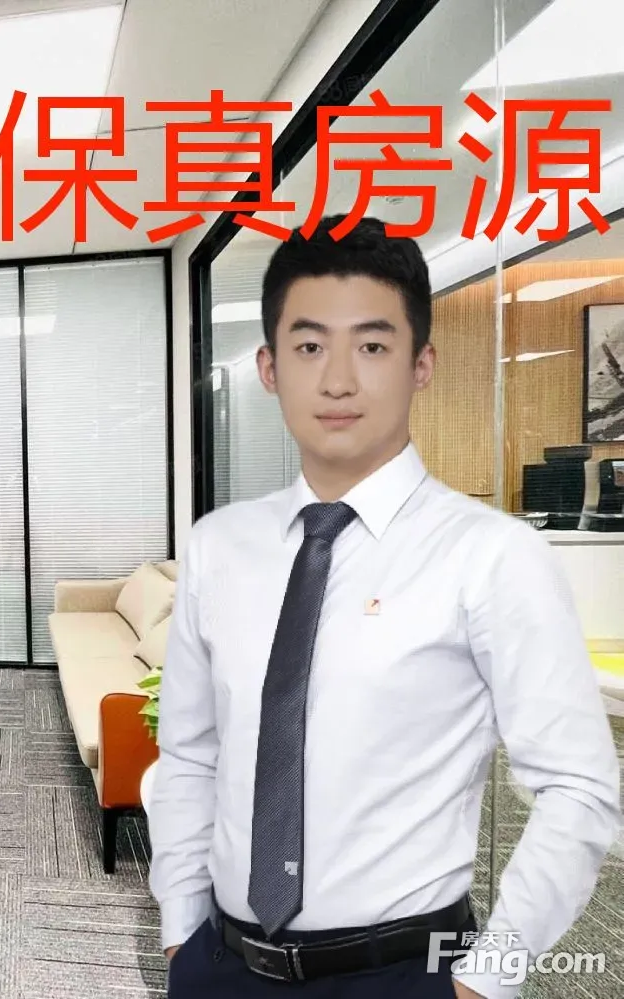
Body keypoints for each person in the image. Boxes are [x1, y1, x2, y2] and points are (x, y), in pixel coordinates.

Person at [150, 214, 621, 999]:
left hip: (401, 974)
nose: (337, 380)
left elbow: (579, 787)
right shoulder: (218, 546)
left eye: (371, 346)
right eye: (308, 347)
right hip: (219, 967)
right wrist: (179, 932)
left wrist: (483, 981)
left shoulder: (490, 555)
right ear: (268, 367)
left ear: (419, 365)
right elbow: (191, 754)